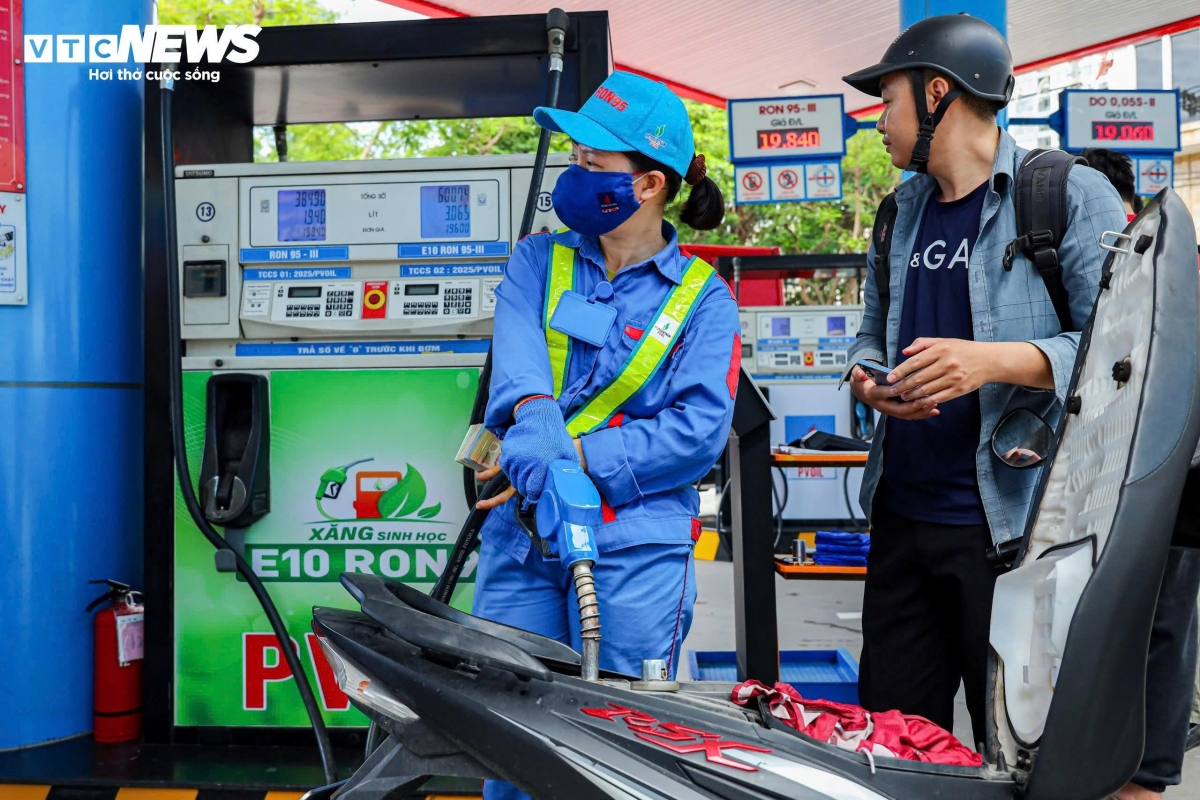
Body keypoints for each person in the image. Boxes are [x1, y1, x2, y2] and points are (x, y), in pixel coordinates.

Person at [840, 14, 1127, 751]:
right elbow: (872, 334)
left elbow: (1119, 354)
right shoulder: (897, 212)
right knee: (893, 751)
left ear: (938, 93)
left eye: (888, 101)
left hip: (1013, 531)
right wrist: (870, 386)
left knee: (1020, 750)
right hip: (903, 521)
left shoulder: (1068, 193)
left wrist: (992, 360)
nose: (878, 122)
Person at [469, 71, 741, 800]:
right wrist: (539, 432)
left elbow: (698, 433)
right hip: (525, 536)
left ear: (649, 184)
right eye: (576, 159)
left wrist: (574, 458)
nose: (576, 173)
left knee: (617, 745)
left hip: (637, 550)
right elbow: (521, 367)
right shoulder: (538, 260)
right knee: (508, 735)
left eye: (595, 163)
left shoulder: (704, 303)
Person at [1084, 146, 1200, 800]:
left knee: (1161, 622)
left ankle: (1148, 777)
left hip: (1170, 472)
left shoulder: (1169, 262)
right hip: (1099, 473)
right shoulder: (1099, 263)